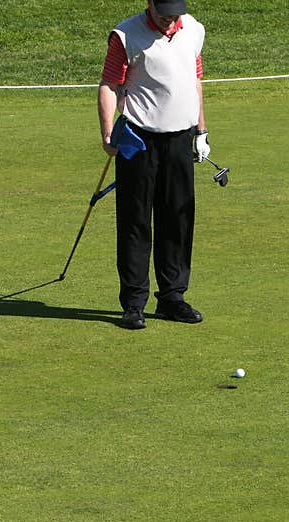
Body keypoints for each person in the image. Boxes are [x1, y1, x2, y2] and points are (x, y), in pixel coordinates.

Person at [98, 0, 211, 330]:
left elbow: (195, 80)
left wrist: (201, 131)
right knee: (136, 221)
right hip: (138, 139)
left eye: (174, 13)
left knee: (177, 217)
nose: (169, 20)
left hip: (180, 139)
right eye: (164, 13)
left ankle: (172, 298)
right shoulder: (126, 34)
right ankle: (134, 303)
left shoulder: (193, 29)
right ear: (149, 4)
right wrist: (108, 135)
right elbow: (109, 84)